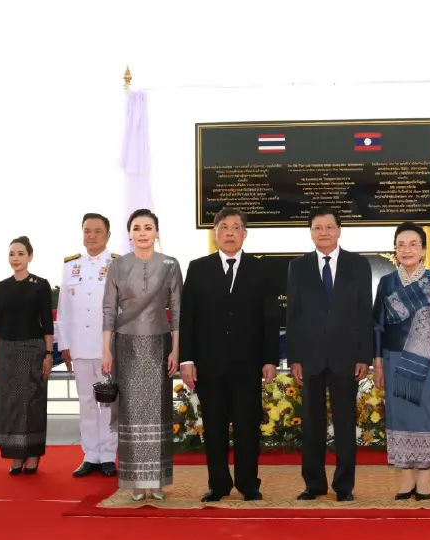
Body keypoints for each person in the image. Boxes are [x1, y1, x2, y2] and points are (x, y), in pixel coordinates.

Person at [180, 207, 280, 502]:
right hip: (209, 364)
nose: (230, 233)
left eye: (236, 228)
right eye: (224, 227)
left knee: (248, 427)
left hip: (248, 364)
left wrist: (270, 359)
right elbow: (188, 318)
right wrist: (187, 359)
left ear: (244, 234)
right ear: (215, 234)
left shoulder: (261, 269)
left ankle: (249, 484)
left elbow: (270, 318)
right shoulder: (198, 268)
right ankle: (218, 484)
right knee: (214, 427)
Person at [286, 207, 374, 502]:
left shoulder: (358, 265)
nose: (323, 233)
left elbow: (365, 313)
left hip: (346, 357)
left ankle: (344, 486)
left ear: (339, 230)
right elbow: (293, 315)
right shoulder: (298, 267)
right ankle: (314, 484)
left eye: (329, 227)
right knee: (312, 424)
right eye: (317, 228)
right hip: (310, 358)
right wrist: (294, 358)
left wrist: (364, 355)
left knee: (345, 424)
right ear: (310, 232)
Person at [101, 209, 182, 500]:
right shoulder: (117, 265)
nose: (143, 233)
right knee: (132, 413)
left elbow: (178, 310)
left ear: (156, 232)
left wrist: (176, 348)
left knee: (158, 411)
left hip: (160, 345)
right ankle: (136, 480)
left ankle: (157, 481)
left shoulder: (170, 264)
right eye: (137, 228)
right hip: (126, 346)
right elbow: (109, 310)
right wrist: (105, 350)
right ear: (129, 234)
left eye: (148, 227)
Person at [372, 223, 430, 500]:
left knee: (427, 415)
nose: (406, 250)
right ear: (394, 250)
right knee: (401, 416)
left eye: (413, 244)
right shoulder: (387, 283)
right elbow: (377, 326)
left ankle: (425, 480)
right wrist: (378, 362)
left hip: (429, 361)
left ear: (423, 249)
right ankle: (407, 478)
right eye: (400, 245)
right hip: (394, 360)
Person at [60, 213, 121, 478]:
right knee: (85, 401)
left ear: (108, 235)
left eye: (97, 231)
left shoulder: (118, 264)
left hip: (107, 347)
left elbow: (123, 309)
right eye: (87, 231)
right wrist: (65, 344)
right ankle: (90, 455)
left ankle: (107, 455)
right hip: (80, 346)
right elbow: (64, 309)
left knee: (108, 401)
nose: (92, 235)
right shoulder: (71, 266)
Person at [0, 237, 54, 475]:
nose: (15, 258)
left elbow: (47, 323)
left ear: (30, 256)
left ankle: (33, 454)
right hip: (6, 350)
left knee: (31, 402)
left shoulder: (40, 285)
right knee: (9, 403)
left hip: (32, 349)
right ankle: (16, 454)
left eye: (20, 254)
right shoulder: (2, 286)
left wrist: (49, 354)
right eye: (11, 254)